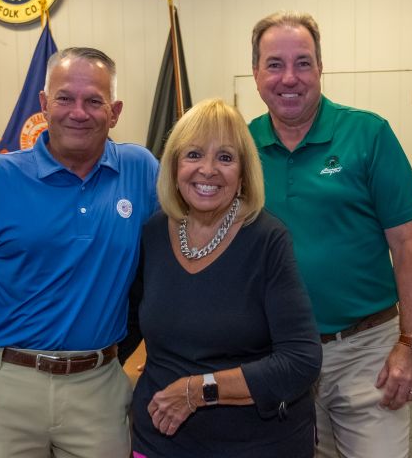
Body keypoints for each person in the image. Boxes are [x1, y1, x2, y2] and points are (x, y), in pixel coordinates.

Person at [0, 47, 159, 457]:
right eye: (64, 98)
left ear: (115, 111)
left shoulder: (141, 170)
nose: (78, 112)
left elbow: (182, 256)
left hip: (99, 386)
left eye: (94, 101)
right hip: (5, 389)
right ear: (43, 104)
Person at [249, 11, 412, 458]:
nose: (289, 77)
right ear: (255, 72)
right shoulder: (239, 145)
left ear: (320, 68)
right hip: (276, 352)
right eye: (274, 64)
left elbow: (409, 245)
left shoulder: (368, 134)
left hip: (365, 352)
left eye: (303, 62)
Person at [119, 98, 322, 457]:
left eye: (225, 158)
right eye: (193, 155)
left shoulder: (266, 238)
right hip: (160, 440)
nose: (208, 170)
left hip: (256, 444)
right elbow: (129, 325)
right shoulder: (153, 233)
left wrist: (199, 391)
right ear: (173, 166)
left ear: (243, 173)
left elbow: (301, 359)